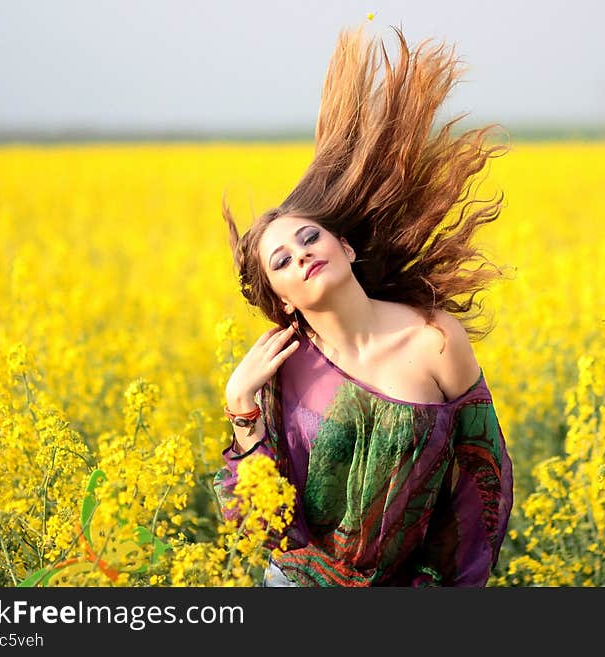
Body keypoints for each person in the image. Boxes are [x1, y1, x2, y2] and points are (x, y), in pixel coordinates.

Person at [213, 24, 514, 587]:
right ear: (280, 298)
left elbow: (482, 476)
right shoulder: (285, 367)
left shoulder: (434, 337)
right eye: (280, 262)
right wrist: (240, 404)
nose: (301, 256)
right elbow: (266, 529)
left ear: (345, 246)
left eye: (309, 239)